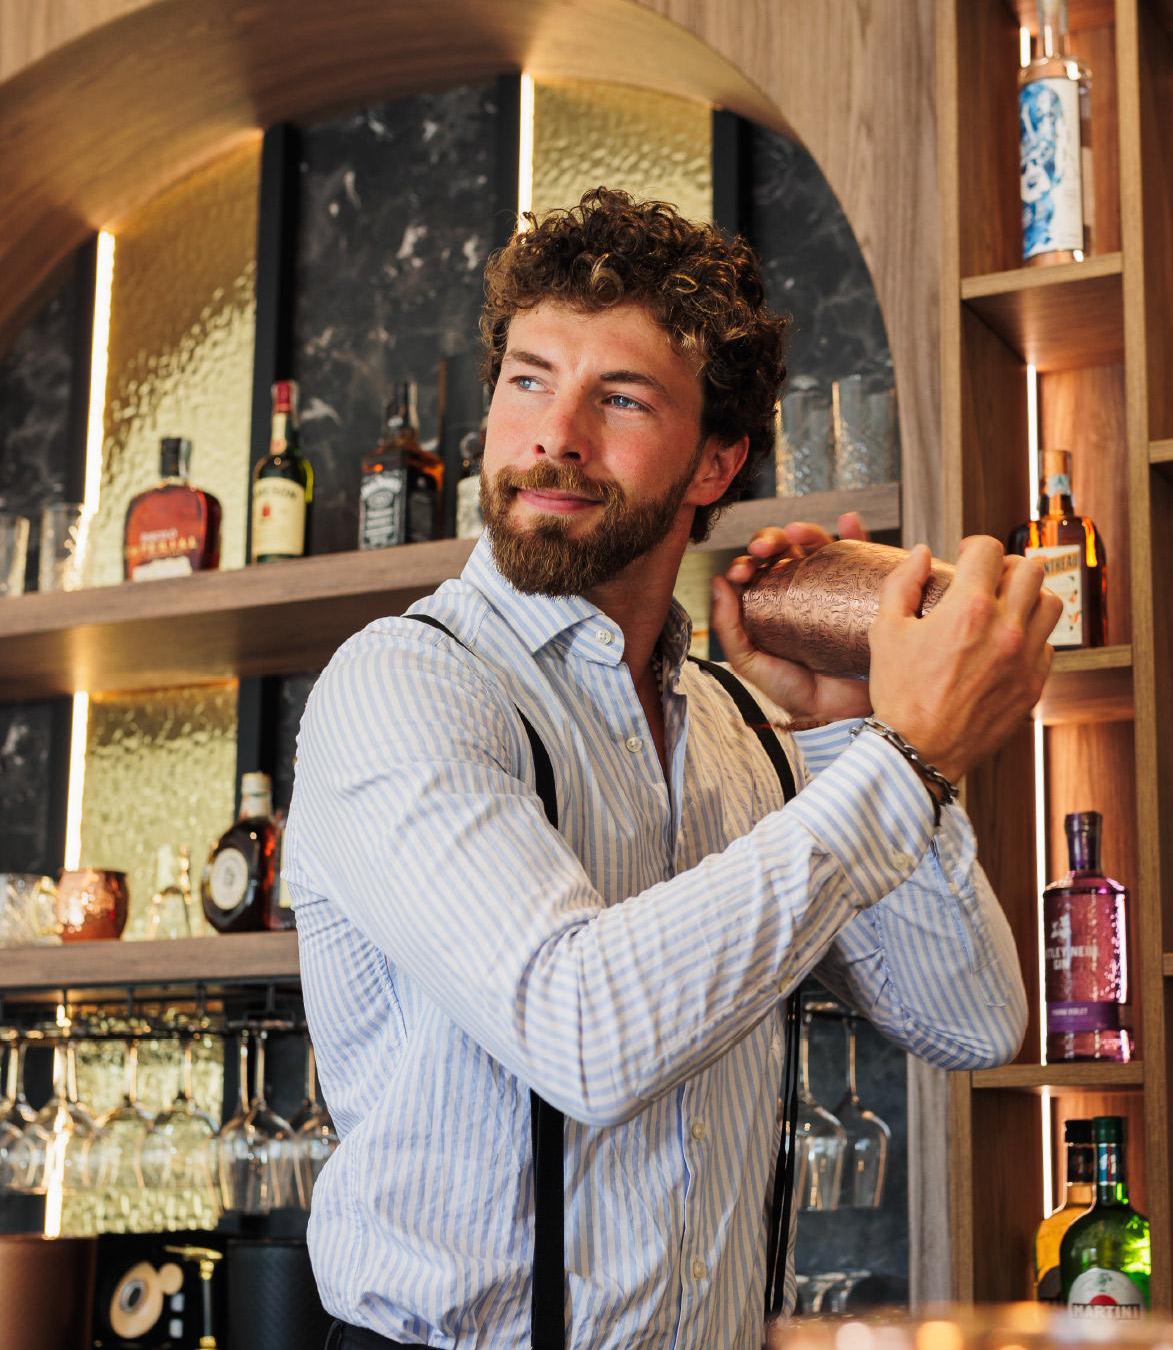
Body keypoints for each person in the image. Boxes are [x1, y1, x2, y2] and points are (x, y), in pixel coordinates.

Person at [286, 187, 1057, 1349]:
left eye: (622, 398)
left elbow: (972, 1020)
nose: (556, 435)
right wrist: (908, 760)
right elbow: (581, 1035)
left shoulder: (742, 730)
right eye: (529, 380)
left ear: (716, 461)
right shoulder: (405, 683)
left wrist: (852, 729)